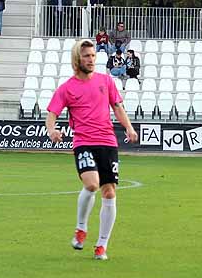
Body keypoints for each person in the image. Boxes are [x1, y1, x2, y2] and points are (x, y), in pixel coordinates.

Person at [45, 39, 139, 261]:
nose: (91, 60)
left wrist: (129, 127)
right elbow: (52, 113)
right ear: (78, 58)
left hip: (107, 142)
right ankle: (81, 228)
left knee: (109, 192)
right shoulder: (66, 88)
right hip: (84, 142)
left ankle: (101, 245)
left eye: (93, 56)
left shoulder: (106, 81)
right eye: (87, 56)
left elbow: (117, 107)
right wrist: (52, 130)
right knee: (91, 184)